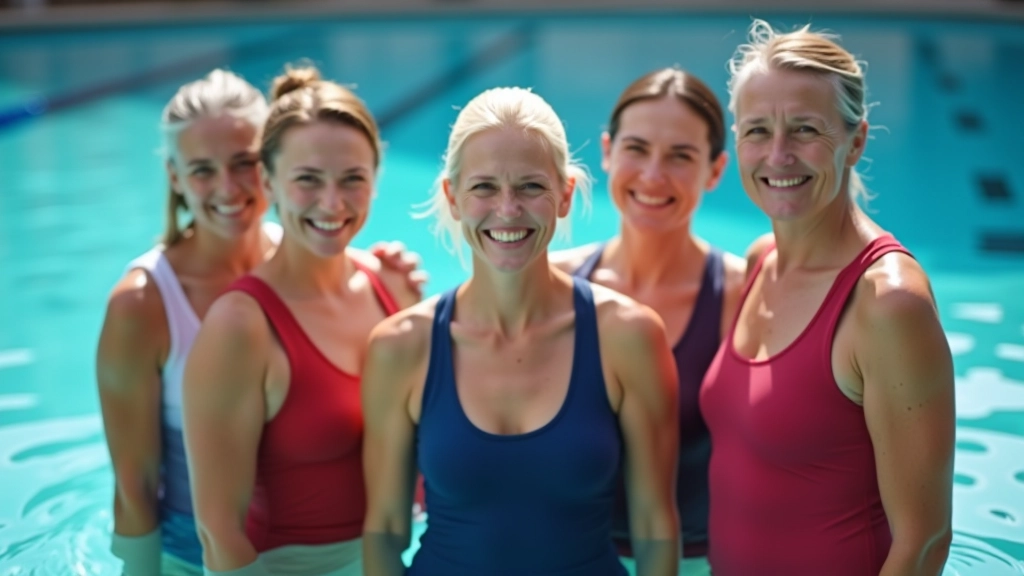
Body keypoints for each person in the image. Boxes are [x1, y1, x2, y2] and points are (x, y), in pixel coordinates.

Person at [95, 68, 422, 576]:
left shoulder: (340, 261)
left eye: (242, 162)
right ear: (176, 178)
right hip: (201, 553)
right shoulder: (148, 304)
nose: (228, 187)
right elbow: (135, 485)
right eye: (202, 169)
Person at [361, 86, 681, 576]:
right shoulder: (401, 346)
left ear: (566, 194)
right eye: (484, 187)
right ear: (453, 196)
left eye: (531, 187)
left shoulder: (628, 336)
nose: (507, 209)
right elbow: (384, 530)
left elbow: (656, 530)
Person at [699, 20, 955, 576]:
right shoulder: (760, 260)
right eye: (758, 130)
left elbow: (925, 541)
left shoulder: (886, 303)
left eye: (805, 129)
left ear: (856, 140)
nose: (779, 154)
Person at [550, 67, 746, 575]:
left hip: (698, 561)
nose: (654, 176)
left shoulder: (745, 295)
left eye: (681, 155)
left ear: (715, 170)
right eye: (636, 149)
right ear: (608, 152)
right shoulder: (552, 284)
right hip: (571, 555)